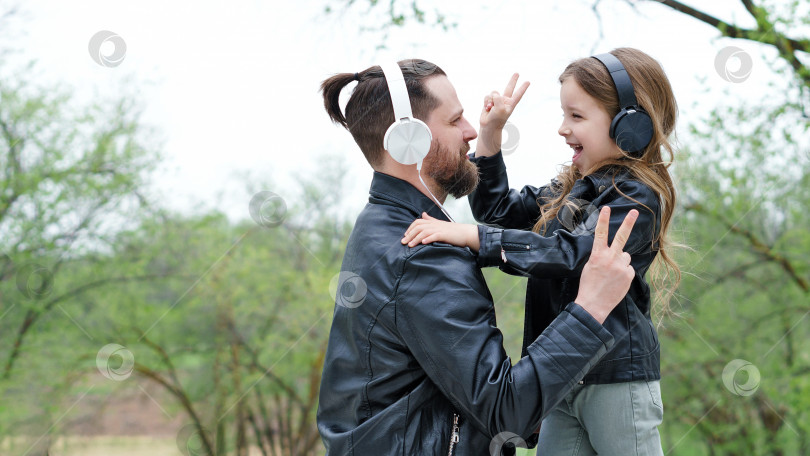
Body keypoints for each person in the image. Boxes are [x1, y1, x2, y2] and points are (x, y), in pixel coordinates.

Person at [317, 58, 641, 456]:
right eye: (455, 121)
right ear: (409, 141)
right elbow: (507, 415)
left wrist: (493, 140)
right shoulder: (421, 256)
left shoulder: (382, 226)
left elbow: (500, 213)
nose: (471, 131)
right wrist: (590, 309)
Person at [401, 48, 680, 455]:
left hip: (616, 379)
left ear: (629, 125)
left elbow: (571, 253)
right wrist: (491, 134)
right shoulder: (573, 186)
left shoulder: (636, 197)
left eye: (577, 117)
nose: (563, 129)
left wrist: (470, 237)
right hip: (562, 373)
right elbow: (500, 211)